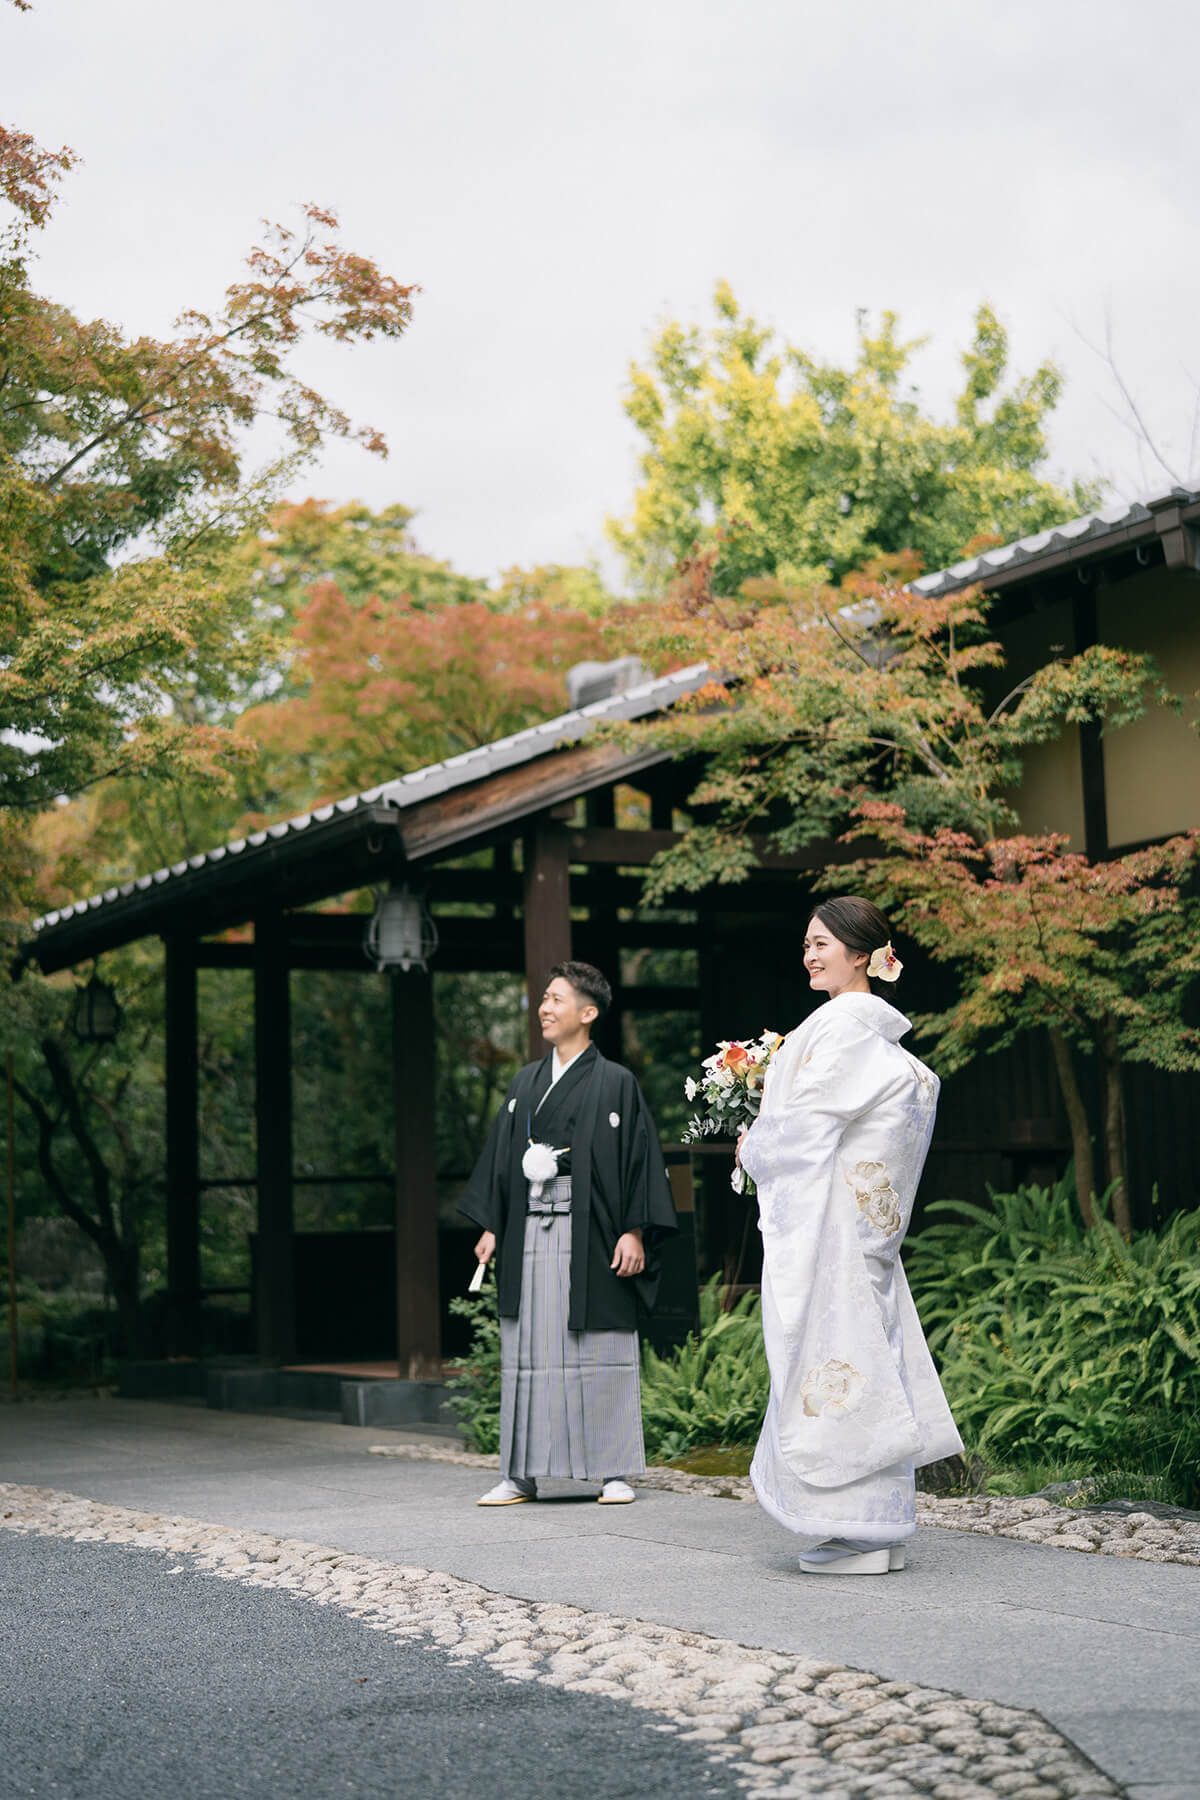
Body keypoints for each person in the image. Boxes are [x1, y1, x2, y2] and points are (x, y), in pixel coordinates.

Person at [737, 896, 962, 1574]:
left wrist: (751, 1149)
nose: (810, 954)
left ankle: (855, 1528)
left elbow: (804, 1132)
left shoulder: (840, 1028)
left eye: (823, 944)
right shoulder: (883, 1040)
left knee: (836, 1363)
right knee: (871, 1362)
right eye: (806, 943)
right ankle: (878, 1526)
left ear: (861, 955)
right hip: (866, 1239)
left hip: (834, 1236)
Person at [460, 960, 678, 1507]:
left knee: (600, 1346)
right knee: (528, 1350)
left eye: (556, 999)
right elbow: (501, 1163)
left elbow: (637, 1160)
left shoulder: (616, 1082)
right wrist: (492, 1226)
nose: (545, 1008)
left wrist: (633, 1230)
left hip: (595, 1233)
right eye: (544, 999)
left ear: (589, 1012)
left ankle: (614, 1471)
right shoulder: (525, 1082)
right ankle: (520, 1474)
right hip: (529, 1229)